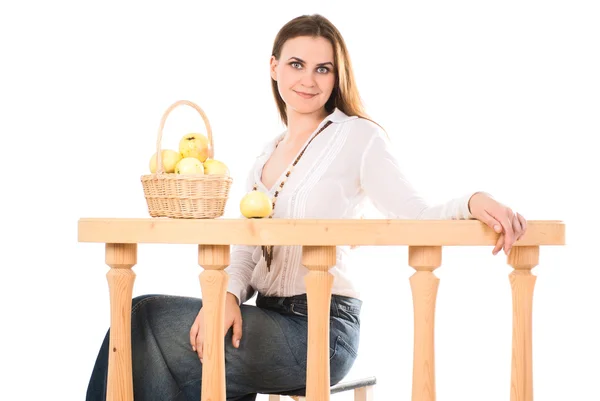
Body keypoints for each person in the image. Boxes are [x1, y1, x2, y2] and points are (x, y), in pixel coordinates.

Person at [86, 14, 527, 401]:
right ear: (274, 67)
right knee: (177, 361)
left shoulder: (358, 138)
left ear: (337, 78)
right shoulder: (265, 155)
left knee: (143, 319)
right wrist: (230, 298)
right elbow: (245, 249)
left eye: (323, 69)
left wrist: (472, 200)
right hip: (268, 317)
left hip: (322, 328)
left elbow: (416, 213)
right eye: (296, 65)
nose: (308, 80)